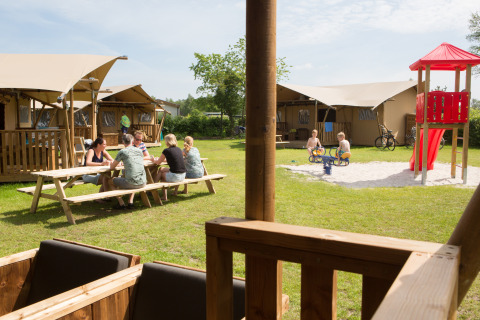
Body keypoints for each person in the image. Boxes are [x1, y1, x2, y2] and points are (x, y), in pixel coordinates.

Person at [109, 134, 147, 209]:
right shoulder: (139, 151)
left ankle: (121, 203)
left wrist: (117, 164)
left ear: (123, 142)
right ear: (132, 141)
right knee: (132, 176)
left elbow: (112, 167)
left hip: (131, 182)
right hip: (143, 182)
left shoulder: (122, 152)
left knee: (110, 181)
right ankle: (130, 202)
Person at [153, 134, 186, 201]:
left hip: (175, 176)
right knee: (161, 169)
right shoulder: (179, 149)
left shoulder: (166, 151)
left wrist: (153, 159)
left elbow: (158, 162)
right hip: (183, 175)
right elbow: (174, 159)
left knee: (162, 175)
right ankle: (175, 192)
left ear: (167, 142)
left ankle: (155, 189)